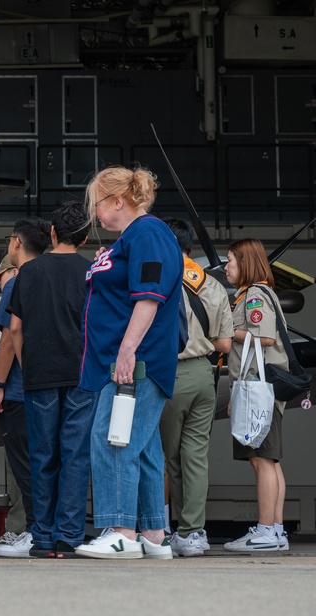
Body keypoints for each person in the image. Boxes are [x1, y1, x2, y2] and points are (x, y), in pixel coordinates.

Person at [75, 166, 182, 560]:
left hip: (135, 362)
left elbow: (149, 296)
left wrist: (127, 350)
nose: (96, 215)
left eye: (98, 205)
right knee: (144, 446)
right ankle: (153, 534)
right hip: (128, 360)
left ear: (118, 201)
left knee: (112, 438)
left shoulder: (148, 234)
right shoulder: (134, 238)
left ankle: (121, 530)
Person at [7, 201, 95, 559]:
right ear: (86, 237)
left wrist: (28, 365)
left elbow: (15, 327)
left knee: (43, 454)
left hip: (39, 374)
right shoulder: (92, 272)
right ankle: (70, 535)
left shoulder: (28, 272)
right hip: (81, 374)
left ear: (53, 233)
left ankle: (42, 535)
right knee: (76, 454)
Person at [160, 219, 233, 557]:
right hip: (206, 376)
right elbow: (224, 343)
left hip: (169, 375)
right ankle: (194, 533)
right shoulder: (213, 285)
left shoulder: (160, 277)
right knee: (196, 458)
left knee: (168, 457)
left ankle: (171, 529)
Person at [0, 218, 51, 558]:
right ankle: (48, 529)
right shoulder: (54, 277)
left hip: (18, 391)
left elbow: (10, 337)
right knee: (49, 462)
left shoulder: (17, 282)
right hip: (52, 387)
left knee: (25, 467)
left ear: (16, 243)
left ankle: (34, 531)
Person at [223, 238, 291, 553]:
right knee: (269, 460)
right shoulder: (262, 294)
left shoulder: (253, 296)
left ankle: (265, 531)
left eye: (231, 261)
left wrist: (224, 332)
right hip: (264, 390)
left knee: (261, 460)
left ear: (246, 264)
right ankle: (275, 529)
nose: (226, 267)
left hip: (257, 390)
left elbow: (262, 338)